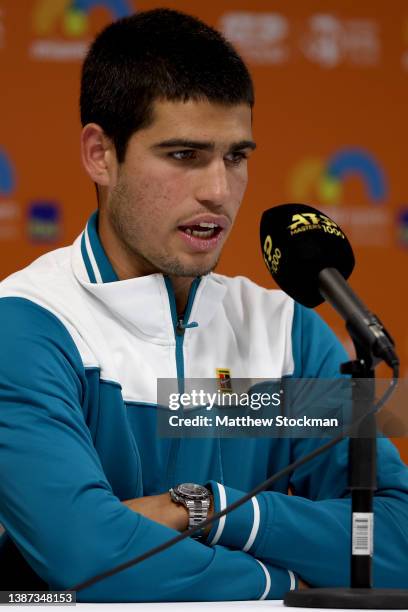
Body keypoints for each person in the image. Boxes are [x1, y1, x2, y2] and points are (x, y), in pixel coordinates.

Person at [0, 7, 407, 601]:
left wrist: (215, 511)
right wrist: (289, 584)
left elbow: (392, 545)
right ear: (100, 154)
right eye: (183, 155)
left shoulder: (288, 331)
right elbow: (87, 557)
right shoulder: (29, 323)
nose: (218, 191)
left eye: (236, 157)